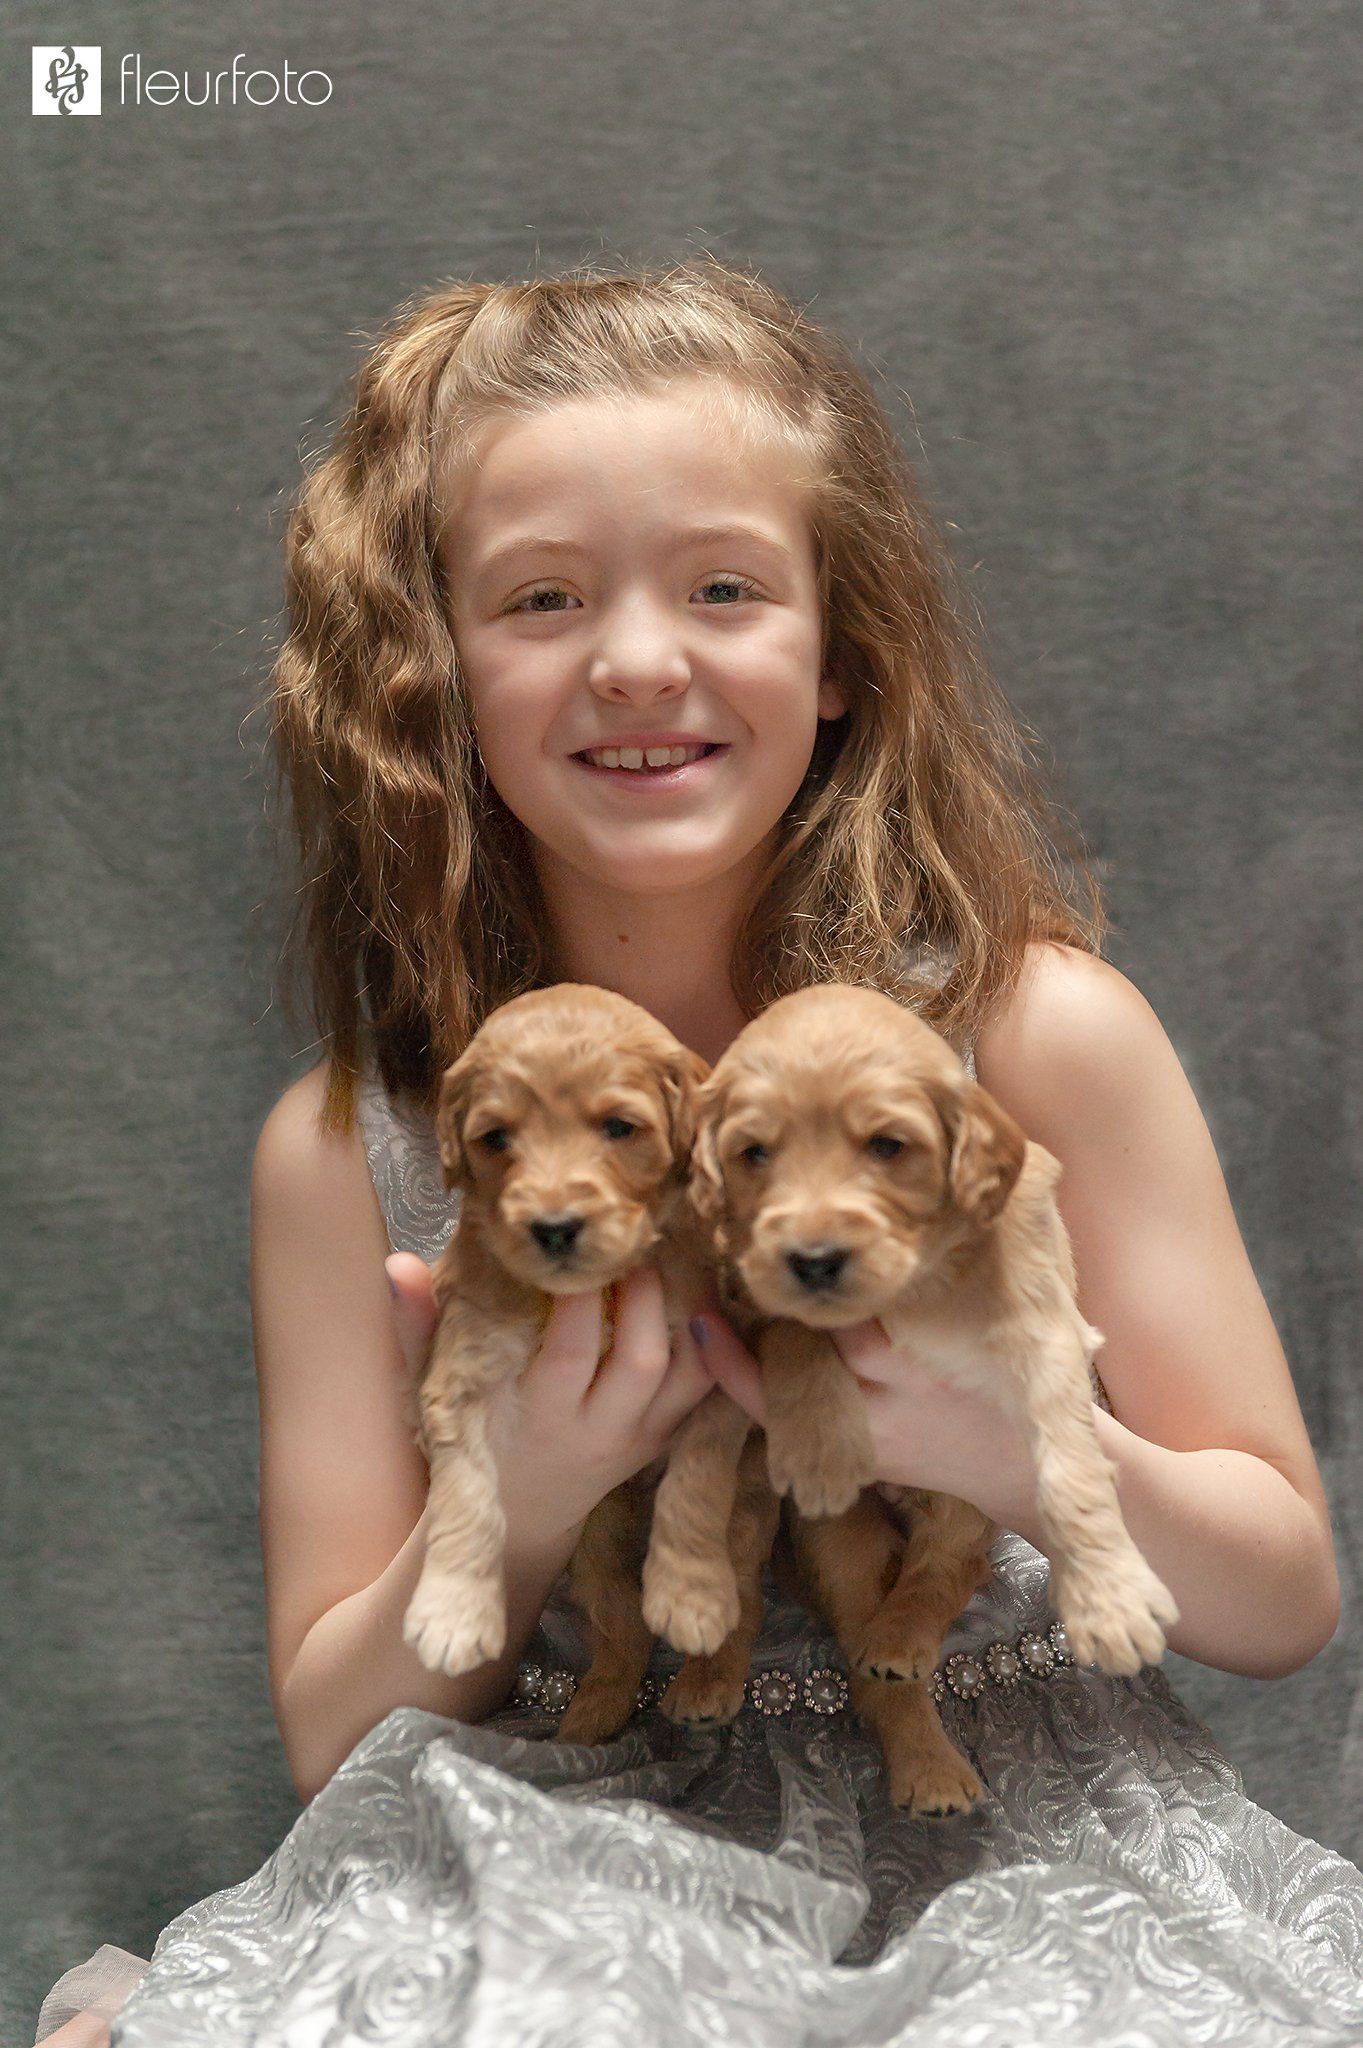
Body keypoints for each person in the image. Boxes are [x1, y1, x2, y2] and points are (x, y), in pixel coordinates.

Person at [34, 255, 1363, 2046]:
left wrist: (1002, 1439)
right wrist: (518, 1485)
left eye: (725, 587)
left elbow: (1281, 1598)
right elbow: (334, 1736)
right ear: (437, 683)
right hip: (556, 1834)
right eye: (542, 599)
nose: (640, 658)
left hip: (1020, 1828)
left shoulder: (1040, 1037)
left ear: (839, 657)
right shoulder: (358, 1148)